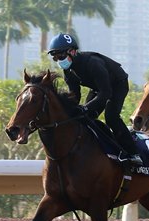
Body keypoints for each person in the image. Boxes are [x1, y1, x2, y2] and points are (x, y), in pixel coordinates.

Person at [47, 33, 143, 165]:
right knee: (85, 117)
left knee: (111, 116)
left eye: (61, 56)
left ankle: (133, 153)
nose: (59, 60)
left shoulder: (93, 63)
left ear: (73, 52)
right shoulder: (68, 71)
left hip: (117, 85)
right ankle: (103, 148)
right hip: (98, 88)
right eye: (55, 58)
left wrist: (86, 107)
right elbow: (75, 95)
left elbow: (106, 93)